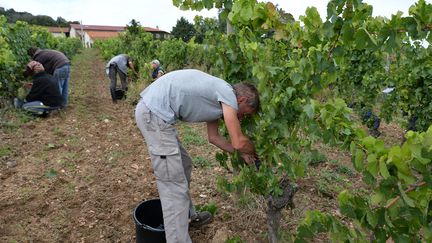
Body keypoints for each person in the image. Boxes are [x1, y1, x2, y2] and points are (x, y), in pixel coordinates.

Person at [135, 69, 259, 243]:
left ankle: (189, 216)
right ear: (242, 100)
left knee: (184, 163)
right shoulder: (228, 95)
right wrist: (253, 151)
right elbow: (238, 141)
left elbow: (214, 138)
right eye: (245, 113)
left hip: (156, 115)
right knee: (173, 186)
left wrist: (241, 155)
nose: (242, 118)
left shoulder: (218, 98)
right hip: (154, 115)